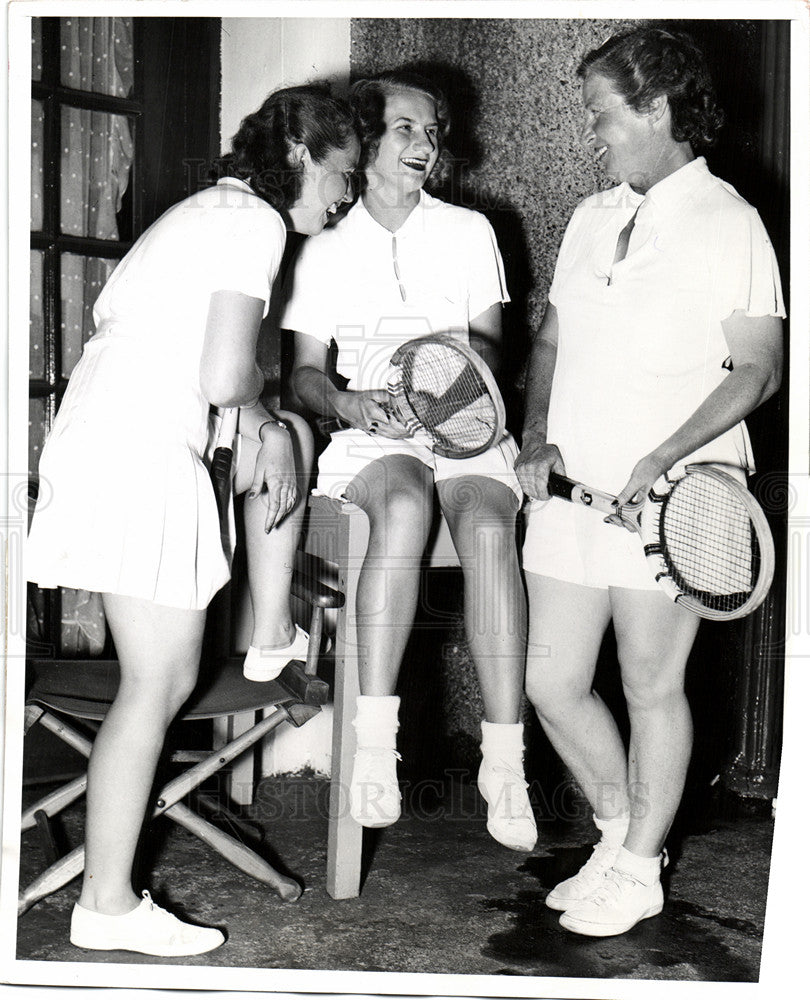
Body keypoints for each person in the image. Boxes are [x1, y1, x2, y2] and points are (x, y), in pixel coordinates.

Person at [26, 85, 359, 956]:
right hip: (137, 445)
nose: (343, 195)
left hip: (107, 432)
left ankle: (106, 898)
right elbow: (222, 377)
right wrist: (267, 424)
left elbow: (205, 374)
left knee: (154, 681)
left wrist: (257, 421)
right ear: (300, 159)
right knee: (158, 684)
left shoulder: (205, 209)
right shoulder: (255, 223)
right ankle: (105, 905)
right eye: (340, 175)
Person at [515, 27, 784, 937]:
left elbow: (756, 370)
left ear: (658, 108)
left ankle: (636, 872)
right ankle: (622, 834)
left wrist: (664, 457)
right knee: (549, 680)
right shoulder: (589, 218)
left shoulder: (730, 222)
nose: (594, 132)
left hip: (677, 495)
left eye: (603, 114)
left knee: (648, 683)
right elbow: (551, 341)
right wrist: (537, 436)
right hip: (570, 489)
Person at [285, 70, 536, 853]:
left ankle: (505, 760)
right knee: (401, 507)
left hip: (466, 422)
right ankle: (372, 749)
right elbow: (303, 373)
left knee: (490, 531)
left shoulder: (469, 232)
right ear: (364, 143)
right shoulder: (323, 245)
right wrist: (354, 404)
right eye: (404, 129)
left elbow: (494, 343)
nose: (424, 145)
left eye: (432, 132)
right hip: (371, 437)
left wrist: (448, 385)